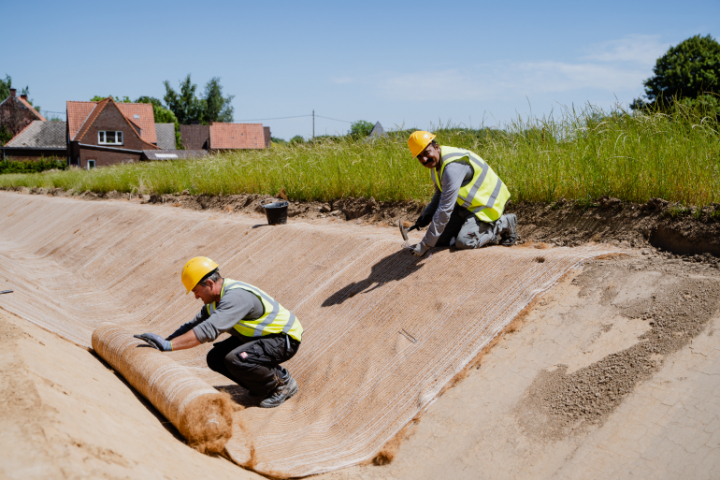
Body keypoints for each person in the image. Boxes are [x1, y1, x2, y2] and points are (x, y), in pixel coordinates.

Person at [135, 257, 303, 409]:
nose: (195, 296)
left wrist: (169, 346)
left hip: (283, 339)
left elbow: (208, 331)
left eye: (196, 291)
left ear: (209, 284)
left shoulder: (235, 297)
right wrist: (164, 341)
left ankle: (282, 384)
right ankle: (261, 386)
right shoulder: (214, 301)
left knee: (236, 358)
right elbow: (194, 325)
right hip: (261, 337)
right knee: (216, 358)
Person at [406, 131, 518, 257]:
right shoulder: (436, 164)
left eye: (426, 153)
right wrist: (428, 213)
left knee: (465, 242)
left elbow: (445, 210)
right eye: (420, 157)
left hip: (485, 206)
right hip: (467, 206)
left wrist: (425, 244)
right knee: (440, 241)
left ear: (436, 147)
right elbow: (440, 193)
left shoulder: (452, 168)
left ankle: (504, 222)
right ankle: (474, 230)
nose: (424, 159)